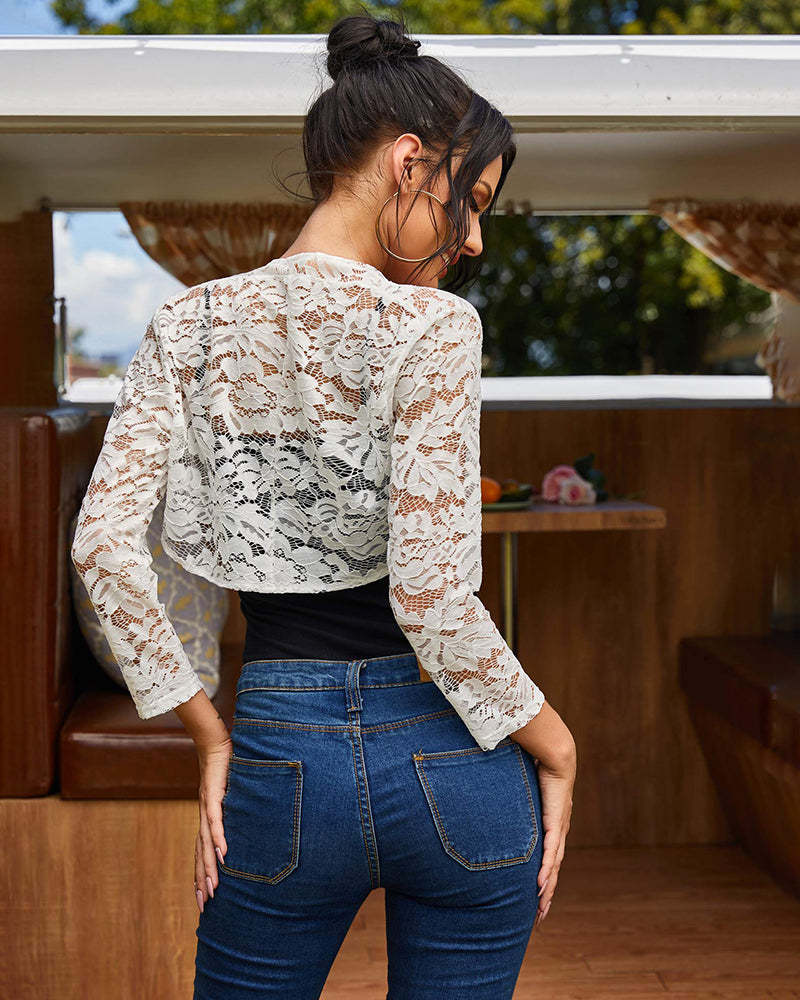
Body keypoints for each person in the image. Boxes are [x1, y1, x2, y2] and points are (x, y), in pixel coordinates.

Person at [71, 11, 576, 999]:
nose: (473, 240)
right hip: (454, 764)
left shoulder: (186, 323)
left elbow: (103, 547)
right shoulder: (435, 326)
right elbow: (432, 597)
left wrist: (207, 734)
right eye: (470, 202)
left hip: (277, 761)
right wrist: (555, 745)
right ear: (406, 162)